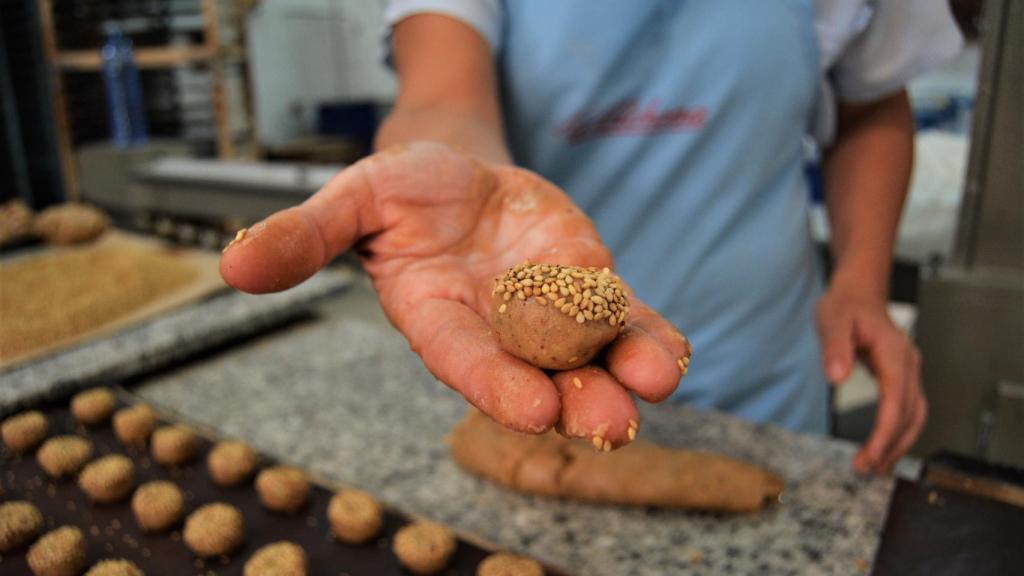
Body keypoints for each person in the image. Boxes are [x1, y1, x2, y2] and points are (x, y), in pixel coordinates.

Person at [221, 0, 962, 474]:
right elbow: (443, 96)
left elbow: (870, 106)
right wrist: (455, 170)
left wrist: (860, 280)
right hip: (543, 390)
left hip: (769, 366)